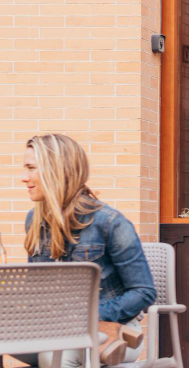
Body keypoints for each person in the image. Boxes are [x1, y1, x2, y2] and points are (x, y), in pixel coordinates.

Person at [13, 134, 156, 368]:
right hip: (55, 331)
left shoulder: (110, 223)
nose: (23, 177)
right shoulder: (35, 221)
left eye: (31, 168)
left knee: (53, 356)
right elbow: (38, 293)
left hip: (113, 330)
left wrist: (86, 318)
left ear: (56, 171)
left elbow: (144, 292)